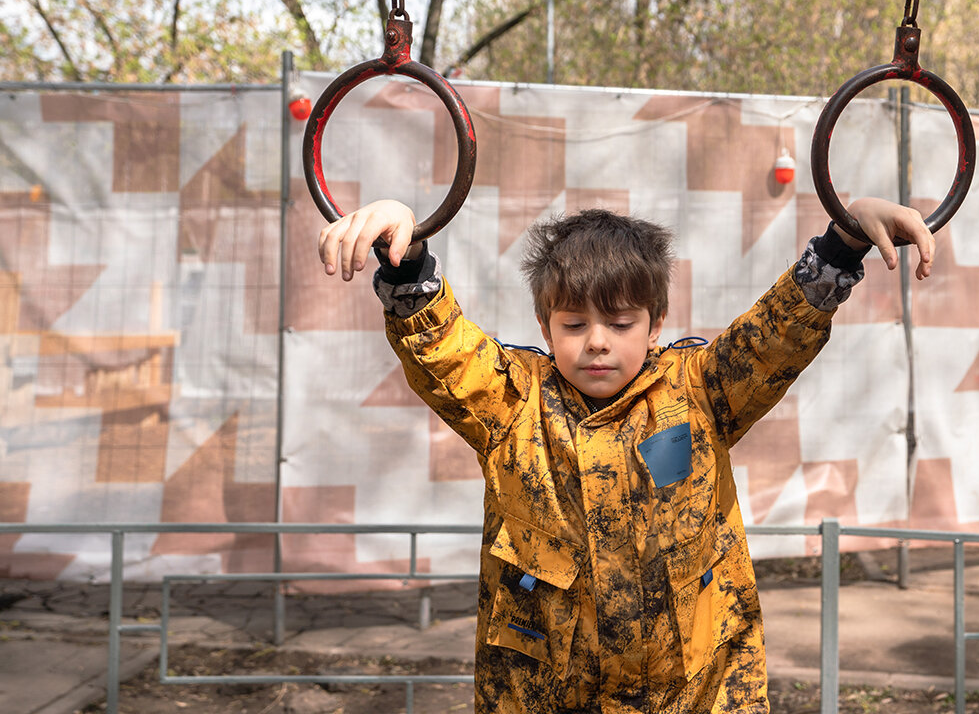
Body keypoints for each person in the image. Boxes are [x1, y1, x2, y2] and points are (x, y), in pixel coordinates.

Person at [319, 198, 934, 713]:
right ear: (544, 323)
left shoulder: (700, 392)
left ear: (655, 321)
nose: (596, 342)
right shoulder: (512, 403)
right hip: (542, 695)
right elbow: (444, 347)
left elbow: (774, 335)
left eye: (618, 322)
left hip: (695, 694)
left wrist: (843, 243)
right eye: (573, 324)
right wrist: (406, 260)